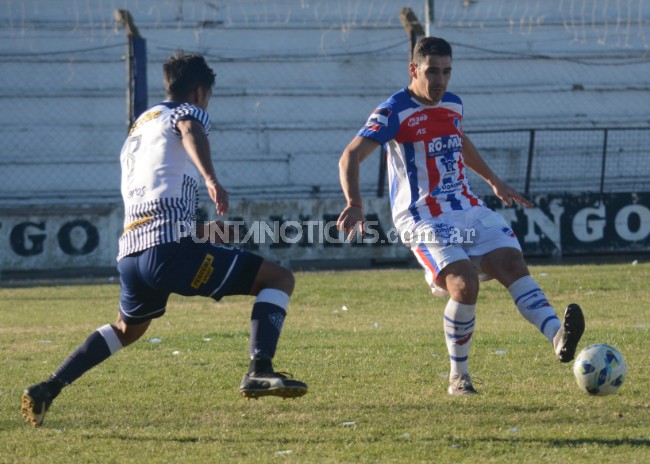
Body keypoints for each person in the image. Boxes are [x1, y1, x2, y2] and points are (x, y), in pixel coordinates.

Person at [21, 53, 307, 428]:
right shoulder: (186, 112)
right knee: (278, 279)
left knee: (129, 329)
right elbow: (190, 128)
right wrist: (211, 178)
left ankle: (49, 387)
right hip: (169, 247)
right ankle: (259, 369)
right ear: (200, 91)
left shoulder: (141, 125)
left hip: (131, 251)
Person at [336, 37, 584, 395]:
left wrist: (494, 181)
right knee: (464, 285)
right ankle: (459, 377)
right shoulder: (393, 111)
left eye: (447, 72)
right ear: (413, 70)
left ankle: (558, 336)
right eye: (432, 71)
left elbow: (458, 139)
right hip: (422, 217)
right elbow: (350, 156)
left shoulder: (453, 103)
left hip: (466, 207)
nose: (440, 80)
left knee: (512, 264)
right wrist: (355, 203)